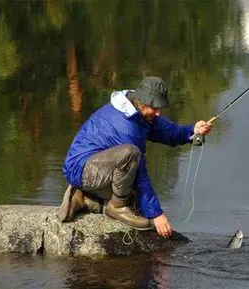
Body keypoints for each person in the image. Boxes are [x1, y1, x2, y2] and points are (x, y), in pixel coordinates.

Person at [57, 76, 212, 237]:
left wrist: (192, 131)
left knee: (137, 201)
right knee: (131, 155)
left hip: (102, 166)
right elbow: (140, 175)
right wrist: (156, 214)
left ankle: (86, 199)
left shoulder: (139, 111)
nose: (159, 113)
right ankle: (116, 206)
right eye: (155, 108)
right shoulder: (125, 126)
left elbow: (168, 131)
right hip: (82, 169)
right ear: (143, 103)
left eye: (160, 107)